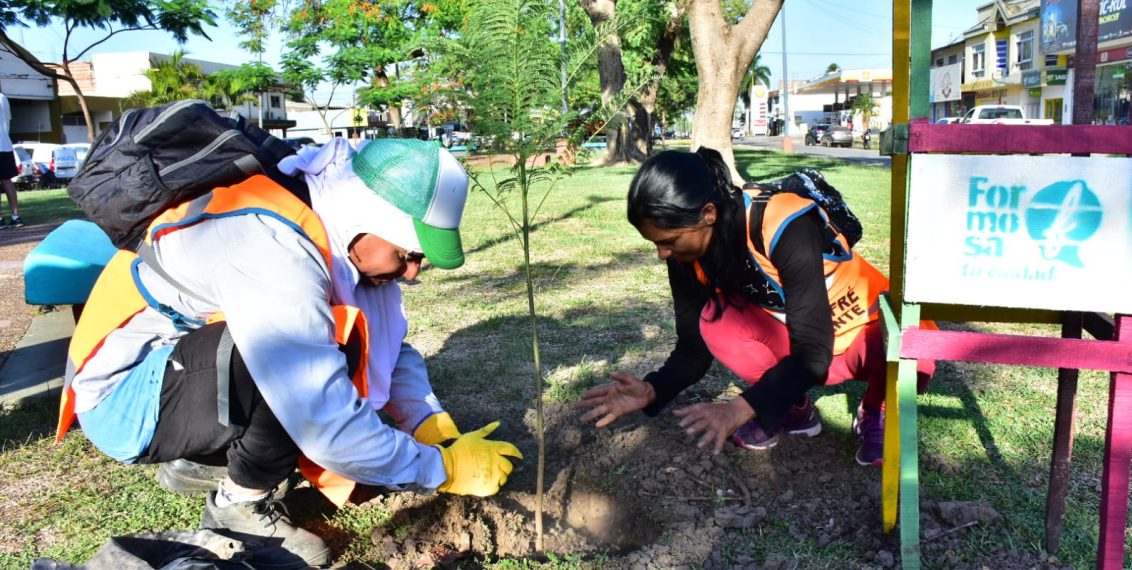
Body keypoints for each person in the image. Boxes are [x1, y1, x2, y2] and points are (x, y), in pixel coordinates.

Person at [57, 138, 522, 568]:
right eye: (407, 254)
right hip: (126, 397)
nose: (414, 272)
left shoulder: (341, 234)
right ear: (368, 222)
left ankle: (206, 459)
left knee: (317, 343)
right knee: (289, 357)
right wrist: (440, 469)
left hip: (190, 373)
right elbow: (324, 419)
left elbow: (389, 346)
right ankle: (237, 506)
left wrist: (428, 422)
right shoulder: (273, 250)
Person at [577, 148, 935, 467]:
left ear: (707, 213)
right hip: (806, 346)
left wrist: (739, 408)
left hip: (865, 335)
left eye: (668, 241)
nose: (662, 253)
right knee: (715, 321)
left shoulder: (783, 221)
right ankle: (791, 408)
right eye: (655, 243)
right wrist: (654, 389)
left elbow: (813, 352)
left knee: (916, 350)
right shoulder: (686, 255)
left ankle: (878, 408)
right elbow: (693, 348)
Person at [0, 85, 23, 228]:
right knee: (7, 181)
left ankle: (0, 218)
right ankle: (16, 216)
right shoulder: (3, 98)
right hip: (5, 145)